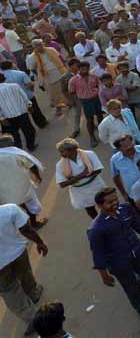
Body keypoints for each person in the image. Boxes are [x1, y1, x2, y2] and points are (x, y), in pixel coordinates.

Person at [86, 186, 140, 321]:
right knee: (131, 287)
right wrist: (104, 275)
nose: (115, 203)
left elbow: (136, 222)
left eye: (115, 199)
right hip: (118, 262)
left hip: (137, 249)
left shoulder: (126, 208)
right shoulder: (95, 229)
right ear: (100, 205)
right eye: (110, 202)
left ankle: (134, 283)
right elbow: (97, 253)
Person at [0, 202, 48, 336]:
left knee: (10, 291)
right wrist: (40, 242)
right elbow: (26, 229)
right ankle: (34, 293)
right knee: (25, 274)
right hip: (18, 253)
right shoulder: (9, 209)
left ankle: (33, 318)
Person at [0, 134, 46, 228]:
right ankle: (34, 224)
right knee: (30, 205)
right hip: (22, 187)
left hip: (4, 191)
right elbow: (31, 166)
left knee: (16, 207)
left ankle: (23, 226)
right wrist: (37, 176)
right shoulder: (16, 154)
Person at [0, 76, 36, 150]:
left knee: (13, 135)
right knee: (29, 130)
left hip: (8, 116)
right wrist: (29, 105)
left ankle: (18, 149)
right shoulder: (15, 86)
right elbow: (24, 96)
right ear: (4, 78)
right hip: (22, 113)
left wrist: (2, 118)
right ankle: (31, 146)